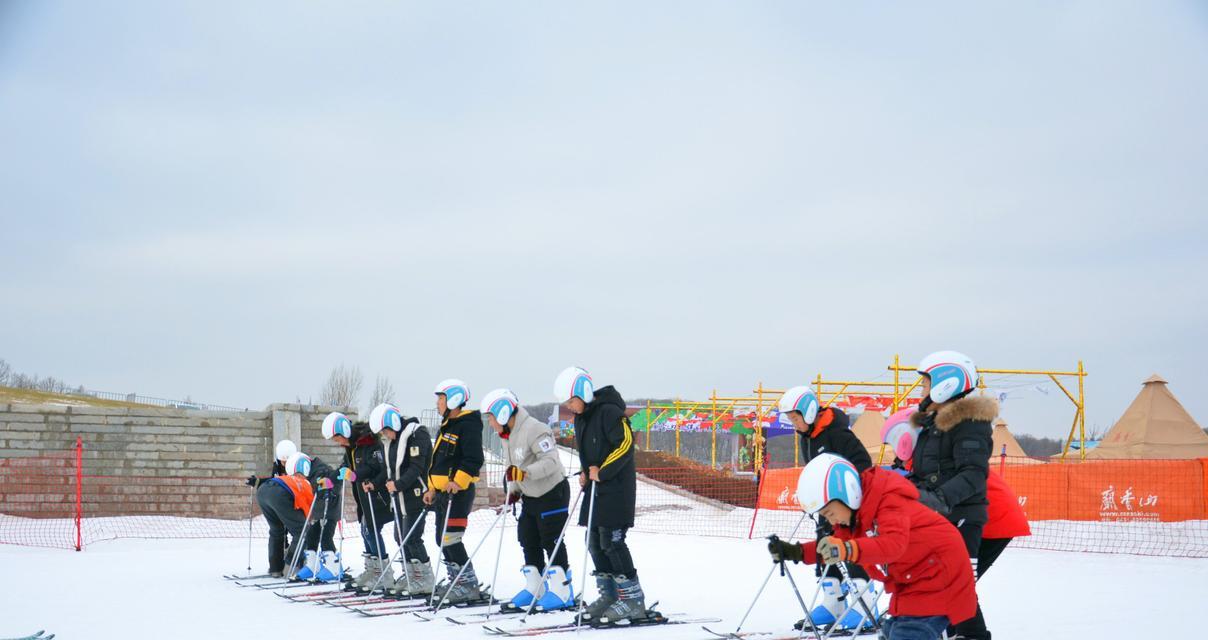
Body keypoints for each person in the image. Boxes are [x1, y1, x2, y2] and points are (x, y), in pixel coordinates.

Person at [767, 453, 978, 640]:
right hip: (912, 581)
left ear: (847, 493)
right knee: (891, 632)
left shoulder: (888, 500)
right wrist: (796, 552)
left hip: (939, 577)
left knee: (908, 633)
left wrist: (847, 549)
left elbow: (893, 545)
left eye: (830, 513)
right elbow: (831, 545)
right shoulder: (856, 515)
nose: (831, 522)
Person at [882, 406, 1030, 584]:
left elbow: (931, 497)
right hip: (984, 517)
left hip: (994, 520)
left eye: (894, 445)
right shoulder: (923, 461)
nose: (894, 452)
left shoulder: (931, 461)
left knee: (957, 586)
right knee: (952, 586)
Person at [908, 351, 995, 640]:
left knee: (957, 588)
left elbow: (972, 473)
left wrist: (938, 499)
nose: (921, 390)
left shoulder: (969, 422)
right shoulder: (934, 424)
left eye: (925, 383)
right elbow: (928, 471)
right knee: (938, 585)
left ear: (945, 384)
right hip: (938, 516)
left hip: (960, 516)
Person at [554, 366, 650, 626]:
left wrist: (602, 471)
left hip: (616, 489)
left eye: (571, 401)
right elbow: (590, 455)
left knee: (612, 541)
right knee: (594, 540)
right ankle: (610, 595)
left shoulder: (610, 411)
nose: (570, 407)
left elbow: (626, 444)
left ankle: (632, 599)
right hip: (596, 489)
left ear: (584, 393)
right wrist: (587, 472)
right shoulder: (582, 418)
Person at [776, 386, 875, 632]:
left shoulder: (838, 433)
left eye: (795, 418)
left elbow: (863, 464)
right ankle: (833, 603)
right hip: (825, 506)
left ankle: (865, 605)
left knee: (851, 549)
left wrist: (845, 495)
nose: (794, 423)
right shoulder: (807, 438)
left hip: (848, 505)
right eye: (790, 419)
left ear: (809, 412)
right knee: (825, 547)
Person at [481, 388, 574, 612]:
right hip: (530, 496)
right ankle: (536, 587)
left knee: (550, 540)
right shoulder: (508, 436)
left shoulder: (535, 429)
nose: (491, 423)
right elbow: (513, 468)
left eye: (491, 418)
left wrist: (525, 474)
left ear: (503, 414)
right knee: (527, 538)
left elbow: (551, 461)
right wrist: (514, 490)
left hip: (552, 493)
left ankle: (562, 592)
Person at [422, 379, 485, 604]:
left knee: (451, 538)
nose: (438, 403)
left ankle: (468, 584)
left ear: (454, 399)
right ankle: (458, 580)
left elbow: (474, 458)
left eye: (441, 398)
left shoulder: (467, 424)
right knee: (442, 539)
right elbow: (438, 463)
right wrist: (431, 488)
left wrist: (457, 481)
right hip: (442, 494)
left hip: (458, 492)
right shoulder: (448, 424)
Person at [366, 402, 437, 598]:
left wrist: (398, 485)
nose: (385, 436)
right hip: (400, 498)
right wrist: (383, 483)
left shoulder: (417, 435)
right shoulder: (394, 441)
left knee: (411, 536)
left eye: (385, 431)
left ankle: (425, 578)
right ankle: (412, 575)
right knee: (400, 537)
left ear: (393, 423)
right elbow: (390, 469)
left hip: (416, 494)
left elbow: (416, 467)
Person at [322, 411, 393, 593]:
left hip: (376, 494)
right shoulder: (352, 447)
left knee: (371, 530)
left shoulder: (371, 442)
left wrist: (356, 475)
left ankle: (383, 573)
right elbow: (344, 468)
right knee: (365, 530)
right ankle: (373, 570)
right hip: (362, 496)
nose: (338, 443)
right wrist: (331, 480)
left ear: (344, 431)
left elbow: (378, 467)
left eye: (337, 438)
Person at [255, 448, 314, 578]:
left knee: (276, 530)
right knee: (302, 531)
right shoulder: (305, 484)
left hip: (263, 491)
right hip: (279, 495)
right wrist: (309, 520)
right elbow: (307, 508)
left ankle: (275, 568)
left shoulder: (289, 478)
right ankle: (290, 567)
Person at [290, 451, 345, 582]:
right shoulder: (311, 473)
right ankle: (312, 565)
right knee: (311, 536)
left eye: (298, 475)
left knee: (326, 538)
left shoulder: (322, 470)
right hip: (317, 510)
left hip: (329, 509)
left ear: (304, 468)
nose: (299, 478)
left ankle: (335, 567)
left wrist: (329, 490)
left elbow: (336, 483)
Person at [245, 439, 297, 576]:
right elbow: (274, 481)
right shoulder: (277, 466)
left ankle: (293, 563)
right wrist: (258, 482)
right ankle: (276, 567)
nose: (285, 464)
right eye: (282, 461)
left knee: (296, 531)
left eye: (287, 461)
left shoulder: (299, 465)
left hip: (294, 502)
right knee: (277, 531)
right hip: (279, 501)